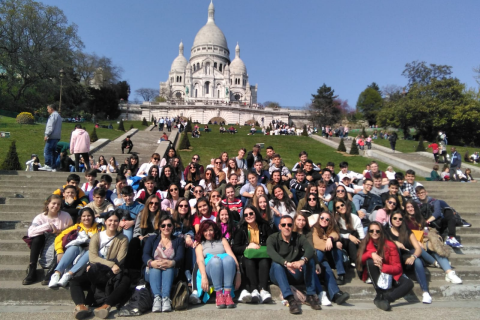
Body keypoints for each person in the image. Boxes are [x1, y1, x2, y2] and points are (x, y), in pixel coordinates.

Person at [69, 210, 130, 319]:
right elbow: (92, 258)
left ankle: (106, 306)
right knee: (74, 281)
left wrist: (103, 263)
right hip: (96, 272)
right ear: (105, 222)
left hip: (110, 275)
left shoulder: (123, 239)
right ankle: (81, 306)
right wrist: (111, 263)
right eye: (110, 220)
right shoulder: (97, 237)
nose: (113, 223)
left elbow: (120, 260)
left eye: (116, 221)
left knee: (126, 280)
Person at [266, 215, 322, 314]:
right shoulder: (273, 238)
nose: (286, 227)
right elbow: (271, 252)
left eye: (289, 224)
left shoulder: (299, 237)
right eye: (284, 225)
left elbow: (309, 250)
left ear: (292, 226)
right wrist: (286, 263)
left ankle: (311, 295)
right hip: (278, 273)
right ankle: (290, 299)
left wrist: (302, 261)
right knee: (276, 264)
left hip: (295, 272)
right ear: (280, 227)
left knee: (310, 260)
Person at [356, 221, 414, 311]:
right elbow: (360, 260)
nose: (374, 233)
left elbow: (398, 268)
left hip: (389, 272)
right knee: (370, 261)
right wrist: (371, 254)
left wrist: (383, 267)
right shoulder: (365, 243)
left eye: (377, 231)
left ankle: (386, 298)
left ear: (381, 232)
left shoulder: (390, 245)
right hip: (373, 272)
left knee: (409, 283)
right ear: (368, 232)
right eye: (371, 231)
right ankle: (380, 292)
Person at [404, 200, 463, 285]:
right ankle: (436, 263)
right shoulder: (404, 220)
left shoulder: (420, 218)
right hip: (412, 243)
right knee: (419, 247)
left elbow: (426, 231)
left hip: (423, 240)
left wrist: (427, 234)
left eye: (412, 207)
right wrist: (416, 241)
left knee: (435, 247)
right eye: (408, 207)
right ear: (406, 209)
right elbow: (405, 234)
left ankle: (449, 273)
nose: (410, 209)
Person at [23, 195, 73, 285]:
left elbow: (72, 231)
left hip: (59, 242)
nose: (56, 206)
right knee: (37, 238)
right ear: (47, 204)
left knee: (61, 240)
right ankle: (32, 269)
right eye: (53, 203)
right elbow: (30, 233)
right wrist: (48, 226)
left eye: (58, 204)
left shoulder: (66, 216)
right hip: (43, 243)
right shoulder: (40, 217)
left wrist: (60, 232)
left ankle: (53, 270)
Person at [49, 208, 103, 288]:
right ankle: (57, 274)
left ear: (93, 217)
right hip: (78, 250)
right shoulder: (76, 227)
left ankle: (68, 275)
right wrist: (59, 251)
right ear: (80, 218)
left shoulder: (100, 228)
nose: (86, 218)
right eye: (84, 216)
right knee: (73, 247)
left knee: (91, 251)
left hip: (91, 252)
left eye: (89, 216)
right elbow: (59, 237)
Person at [385, 211, 432, 304]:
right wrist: (394, 242)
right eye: (395, 218)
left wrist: (413, 257)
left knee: (418, 261)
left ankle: (425, 292)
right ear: (391, 219)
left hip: (407, 259)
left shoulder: (407, 232)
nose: (397, 220)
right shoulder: (386, 232)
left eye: (400, 219)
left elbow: (418, 248)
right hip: (394, 261)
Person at [193, 220, 241, 308]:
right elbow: (200, 261)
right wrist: (204, 276)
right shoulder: (200, 245)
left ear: (215, 231)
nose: (208, 233)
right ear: (202, 232)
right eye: (205, 231)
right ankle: (218, 295)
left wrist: (238, 272)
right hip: (210, 272)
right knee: (216, 260)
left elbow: (232, 256)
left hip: (226, 271)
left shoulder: (222, 240)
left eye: (210, 230)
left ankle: (227, 294)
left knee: (229, 259)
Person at [143, 215, 185, 312]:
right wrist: (151, 263)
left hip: (171, 270)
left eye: (169, 225)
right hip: (152, 269)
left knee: (168, 268)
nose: (166, 228)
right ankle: (157, 298)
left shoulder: (178, 240)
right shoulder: (152, 239)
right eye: (163, 225)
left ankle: (166, 298)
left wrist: (172, 262)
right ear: (159, 227)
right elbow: (145, 254)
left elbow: (180, 257)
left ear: (173, 226)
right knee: (155, 268)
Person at [232, 205, 274, 304]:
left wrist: (259, 245)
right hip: (248, 255)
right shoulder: (241, 228)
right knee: (249, 262)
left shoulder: (264, 225)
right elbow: (235, 248)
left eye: (251, 213)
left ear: (255, 213)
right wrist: (247, 246)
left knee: (264, 262)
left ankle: (263, 290)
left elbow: (272, 241)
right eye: (246, 214)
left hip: (262, 254)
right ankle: (254, 290)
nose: (249, 216)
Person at [311, 212, 350, 305]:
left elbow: (336, 234)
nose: (324, 220)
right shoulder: (314, 229)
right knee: (325, 264)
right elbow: (317, 243)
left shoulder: (331, 230)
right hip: (315, 256)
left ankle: (336, 294)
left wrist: (330, 238)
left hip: (324, 258)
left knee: (327, 268)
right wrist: (332, 243)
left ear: (330, 221)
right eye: (322, 218)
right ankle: (335, 293)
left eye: (327, 219)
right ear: (319, 218)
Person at [334, 199, 364, 272]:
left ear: (346, 205)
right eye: (338, 207)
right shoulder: (335, 219)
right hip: (342, 242)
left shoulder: (355, 218)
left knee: (353, 240)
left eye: (342, 205)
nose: (341, 207)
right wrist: (349, 236)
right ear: (336, 210)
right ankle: (356, 263)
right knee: (348, 236)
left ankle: (356, 262)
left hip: (354, 243)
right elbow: (335, 234)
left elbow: (361, 235)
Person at [41, 104, 62, 171]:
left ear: (51, 109)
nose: (47, 111)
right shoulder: (58, 116)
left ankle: (48, 164)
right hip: (57, 136)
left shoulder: (53, 116)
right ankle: (53, 166)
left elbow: (50, 126)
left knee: (47, 150)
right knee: (53, 152)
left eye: (48, 109)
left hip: (52, 136)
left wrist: (47, 134)